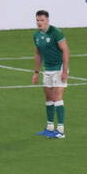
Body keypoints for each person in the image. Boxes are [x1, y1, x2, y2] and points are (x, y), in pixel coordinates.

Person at [31, 10, 70, 139]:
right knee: (48, 99)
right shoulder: (36, 35)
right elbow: (38, 54)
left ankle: (61, 130)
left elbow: (65, 50)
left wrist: (64, 71)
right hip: (47, 70)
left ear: (47, 20)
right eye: (37, 20)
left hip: (58, 69)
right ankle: (49, 128)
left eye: (42, 20)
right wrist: (36, 72)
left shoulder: (56, 32)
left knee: (57, 98)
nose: (39, 22)